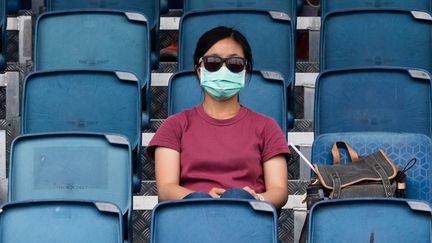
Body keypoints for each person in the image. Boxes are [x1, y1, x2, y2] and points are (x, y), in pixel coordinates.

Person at [147, 26, 290, 209]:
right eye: (212, 62)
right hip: (192, 217)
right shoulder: (174, 126)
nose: (224, 70)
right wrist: (204, 199)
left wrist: (255, 199)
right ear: (199, 70)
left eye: (235, 63)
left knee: (238, 197)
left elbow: (279, 190)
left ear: (244, 72)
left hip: (247, 220)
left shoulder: (267, 126)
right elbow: (167, 189)